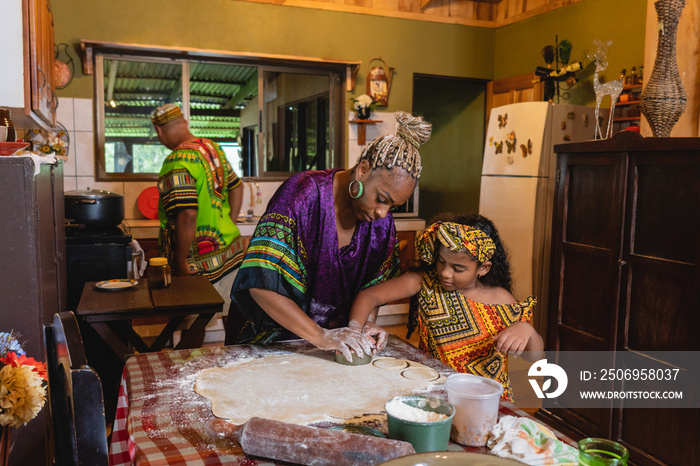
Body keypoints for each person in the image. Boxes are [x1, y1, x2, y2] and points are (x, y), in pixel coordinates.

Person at [225, 111, 432, 361]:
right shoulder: (302, 195)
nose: (383, 213)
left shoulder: (380, 223)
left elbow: (373, 290)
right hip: (269, 342)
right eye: (381, 199)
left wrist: (364, 325)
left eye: (393, 207)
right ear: (363, 170)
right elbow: (260, 283)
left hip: (330, 348)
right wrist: (321, 336)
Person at [348, 213, 543, 401]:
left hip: (485, 399)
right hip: (433, 387)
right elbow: (369, 295)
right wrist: (358, 329)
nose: (446, 273)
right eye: (441, 262)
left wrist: (527, 330)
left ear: (483, 268)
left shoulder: (502, 301)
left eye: (458, 268)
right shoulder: (426, 283)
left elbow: (532, 357)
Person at [151, 103, 246, 311]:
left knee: (194, 326)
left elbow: (187, 213)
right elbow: (237, 187)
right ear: (184, 122)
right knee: (232, 322)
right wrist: (228, 222)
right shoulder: (212, 148)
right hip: (230, 252)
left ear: (159, 130)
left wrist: (180, 261)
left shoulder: (177, 160)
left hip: (197, 264)